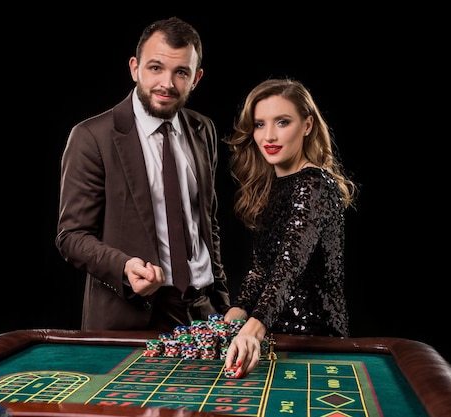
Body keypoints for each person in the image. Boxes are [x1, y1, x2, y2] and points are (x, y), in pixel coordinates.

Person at [56, 17, 234, 331]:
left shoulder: (202, 129)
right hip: (134, 314)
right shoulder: (92, 136)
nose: (167, 83)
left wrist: (221, 297)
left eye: (181, 72)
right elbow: (72, 237)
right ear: (134, 67)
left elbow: (206, 219)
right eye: (155, 68)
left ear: (196, 79)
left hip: (206, 311)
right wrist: (124, 267)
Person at [222, 78, 358, 377]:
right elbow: (261, 269)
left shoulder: (315, 184)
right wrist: (236, 313)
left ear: (307, 125)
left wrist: (253, 327)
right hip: (272, 336)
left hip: (315, 341)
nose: (269, 135)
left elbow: (289, 266)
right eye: (259, 124)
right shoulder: (270, 186)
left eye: (282, 122)